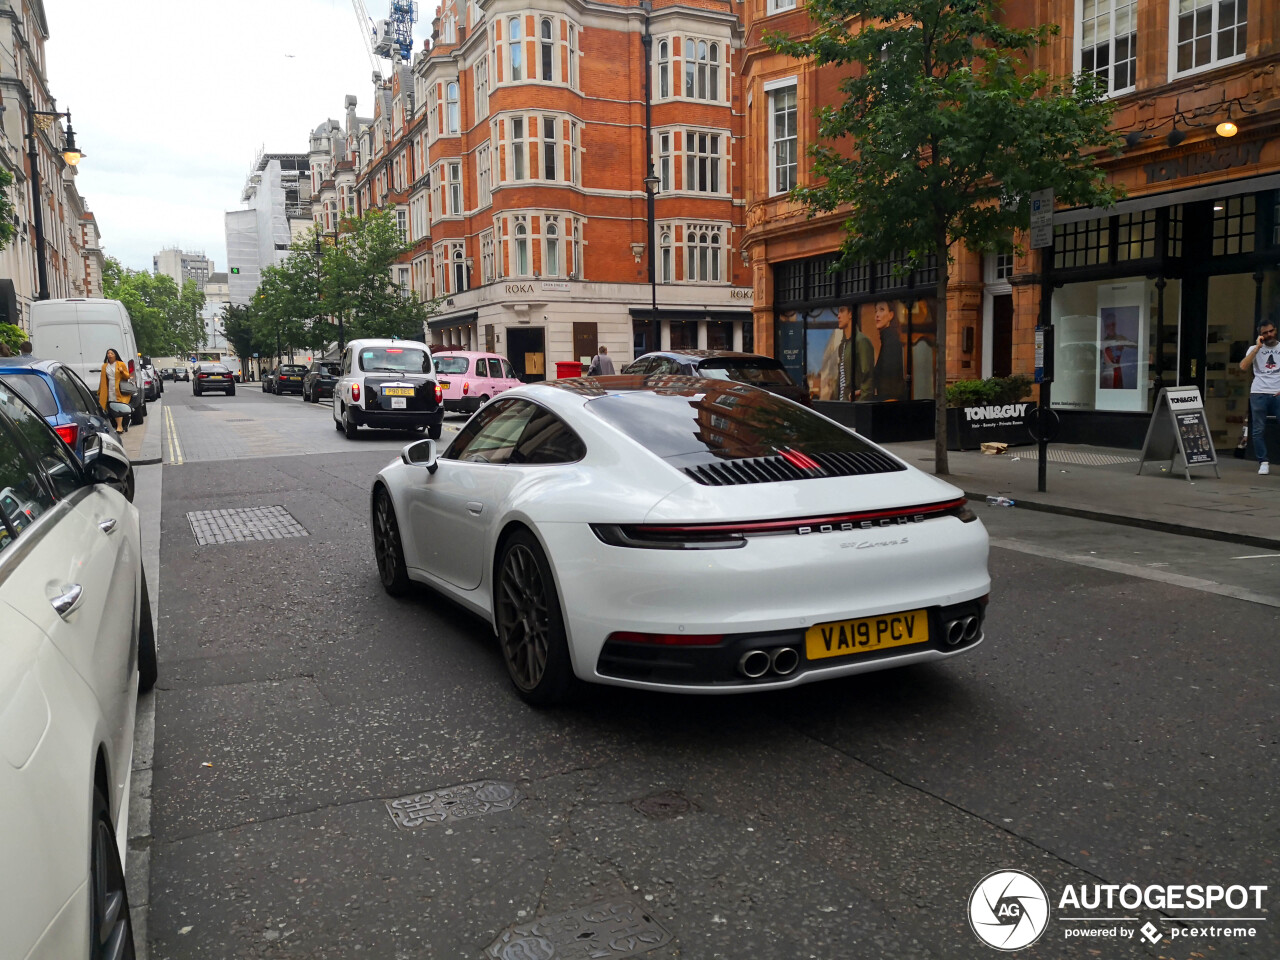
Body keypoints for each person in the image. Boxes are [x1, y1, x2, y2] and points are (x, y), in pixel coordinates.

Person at [1240, 320, 1280, 476]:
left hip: (1277, 392)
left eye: (1271, 331)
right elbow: (1243, 366)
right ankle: (1263, 462)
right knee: (1258, 429)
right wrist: (1257, 348)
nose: (1269, 335)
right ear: (1260, 335)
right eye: (1265, 333)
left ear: (1275, 330)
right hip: (1258, 392)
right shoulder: (1254, 349)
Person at [819, 305, 874, 401]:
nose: (838, 316)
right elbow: (841, 379)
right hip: (842, 404)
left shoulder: (861, 341)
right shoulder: (842, 345)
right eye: (838, 312)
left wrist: (859, 403)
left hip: (854, 407)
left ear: (850, 314)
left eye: (842, 311)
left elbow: (868, 379)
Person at [872, 300, 908, 401]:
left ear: (891, 315)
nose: (877, 315)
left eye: (881, 310)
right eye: (876, 311)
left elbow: (892, 384)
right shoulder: (887, 340)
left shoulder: (891, 341)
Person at [97, 348, 131, 435]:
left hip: (118, 388)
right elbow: (103, 379)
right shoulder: (104, 366)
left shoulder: (121, 364)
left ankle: (119, 426)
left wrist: (122, 371)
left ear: (115, 355)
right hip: (109, 388)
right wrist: (100, 390)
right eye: (108, 353)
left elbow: (127, 376)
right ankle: (116, 425)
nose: (110, 355)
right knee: (110, 406)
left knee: (117, 406)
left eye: (112, 353)